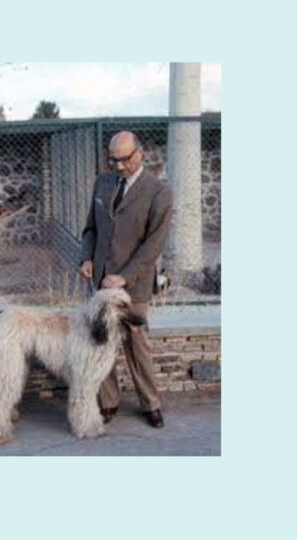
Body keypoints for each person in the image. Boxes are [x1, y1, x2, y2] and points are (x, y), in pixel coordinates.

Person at [80, 131, 172, 428]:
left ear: (140, 153)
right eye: (113, 160)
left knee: (137, 345)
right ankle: (108, 403)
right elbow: (91, 229)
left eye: (124, 159)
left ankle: (151, 404)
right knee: (100, 342)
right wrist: (86, 258)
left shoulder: (159, 192)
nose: (118, 166)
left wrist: (125, 276)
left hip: (135, 286)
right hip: (100, 283)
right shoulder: (102, 183)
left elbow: (154, 244)